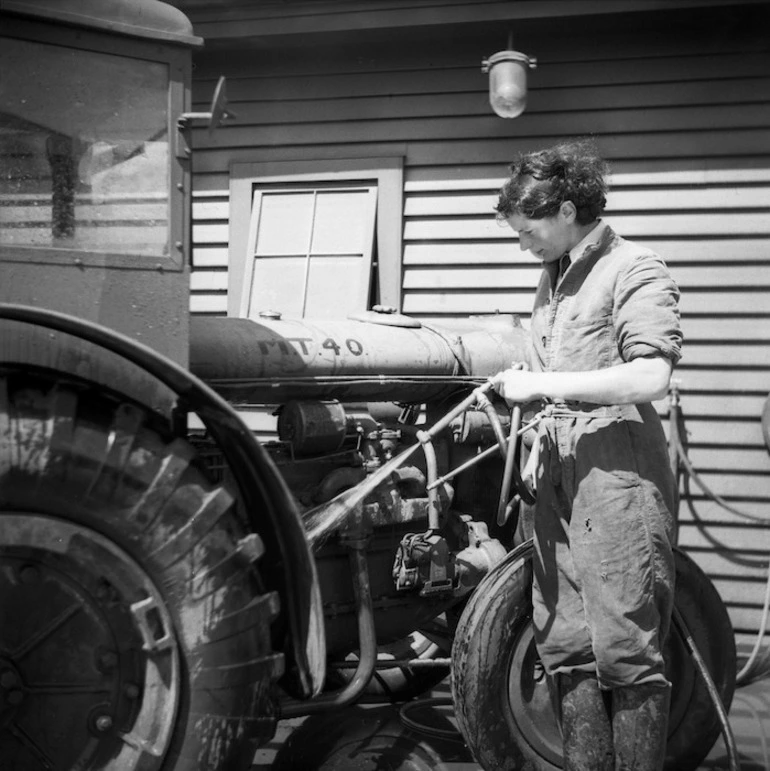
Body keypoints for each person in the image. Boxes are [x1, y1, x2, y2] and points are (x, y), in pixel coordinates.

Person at [489, 139, 682, 770]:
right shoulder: (552, 282)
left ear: (569, 208)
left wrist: (544, 384)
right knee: (563, 641)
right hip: (558, 476)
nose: (523, 244)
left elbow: (651, 376)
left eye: (529, 230)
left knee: (626, 646)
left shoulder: (635, 267)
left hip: (617, 474)